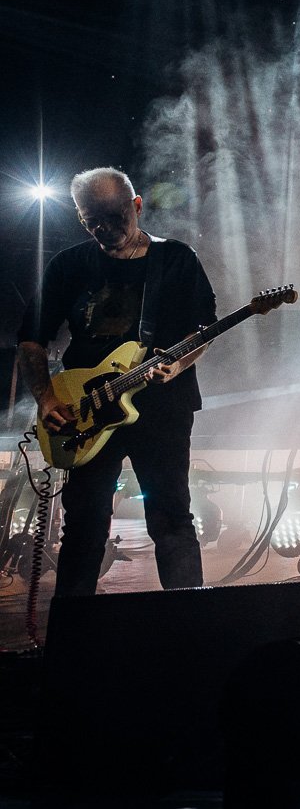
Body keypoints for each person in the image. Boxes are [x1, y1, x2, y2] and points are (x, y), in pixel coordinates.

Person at [17, 168, 217, 597]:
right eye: (93, 221)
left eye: (115, 217)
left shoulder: (176, 259)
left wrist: (179, 365)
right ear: (80, 217)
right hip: (85, 410)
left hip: (162, 408)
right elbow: (32, 339)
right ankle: (73, 628)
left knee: (171, 518)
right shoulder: (69, 265)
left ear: (137, 205)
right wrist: (47, 399)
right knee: (84, 525)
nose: (105, 229)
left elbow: (202, 330)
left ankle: (190, 624)